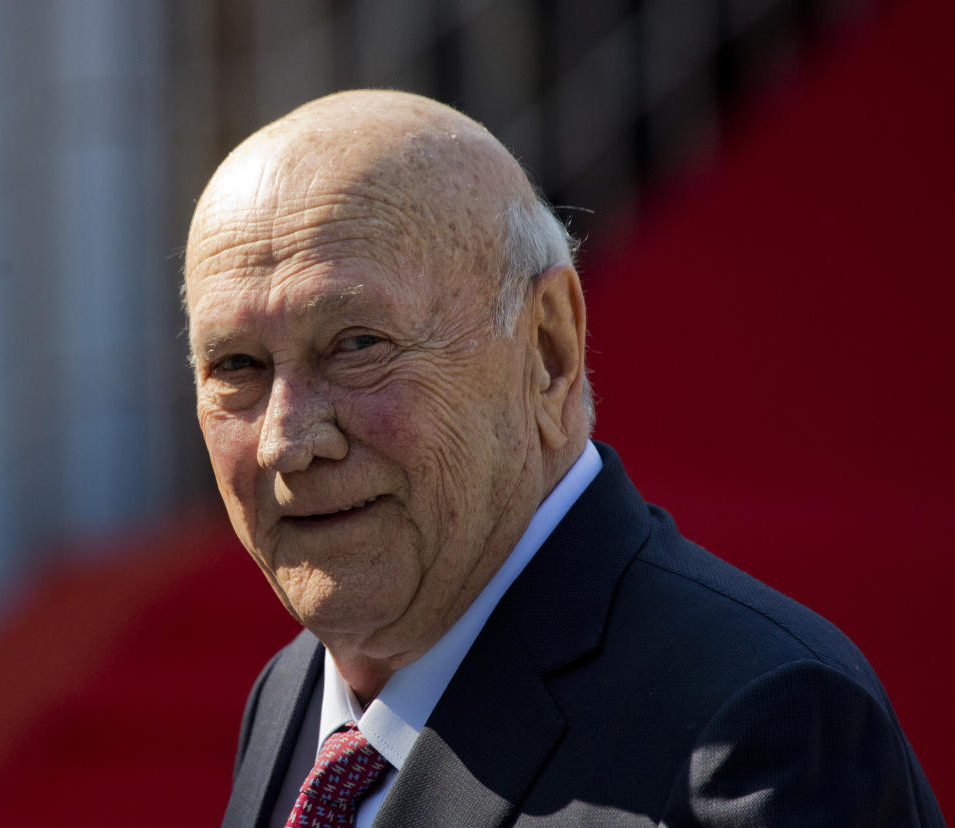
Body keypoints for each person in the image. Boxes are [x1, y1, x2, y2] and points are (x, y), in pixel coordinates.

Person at [183, 90, 943, 827]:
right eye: (238, 366)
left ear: (549, 349)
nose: (286, 439)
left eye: (356, 346)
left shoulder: (754, 731)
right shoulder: (297, 692)